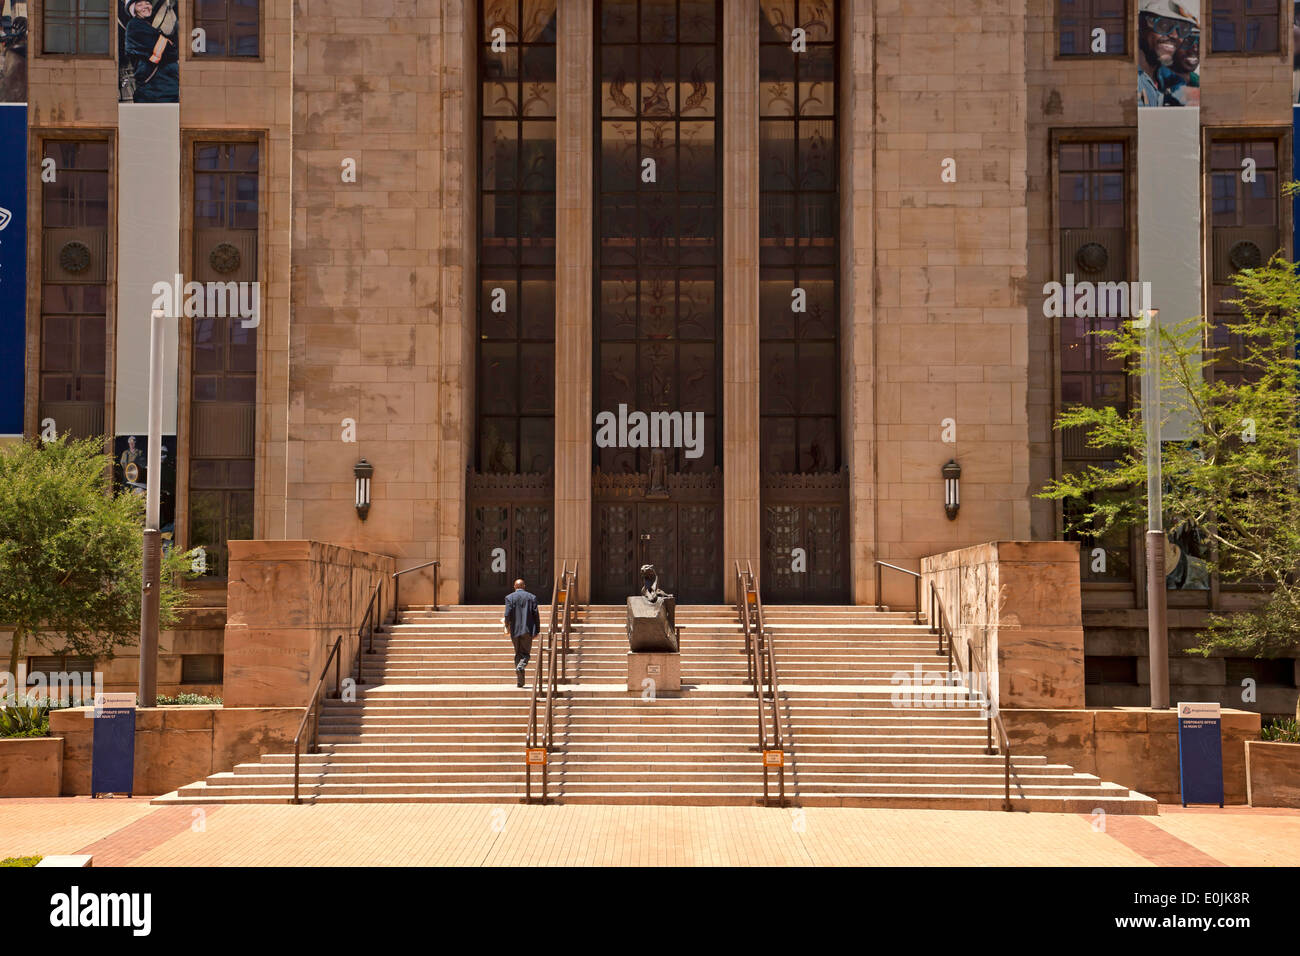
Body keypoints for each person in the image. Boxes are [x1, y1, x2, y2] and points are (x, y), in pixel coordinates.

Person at [1137, 0, 1199, 107]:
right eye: (1164, 25)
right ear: (1140, 25)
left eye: (1182, 29)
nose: (1174, 35)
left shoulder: (1164, 76)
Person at [123, 0, 178, 104]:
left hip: (163, 88)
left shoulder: (145, 26)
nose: (145, 6)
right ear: (133, 9)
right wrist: (171, 47)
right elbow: (166, 50)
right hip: (157, 90)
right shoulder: (135, 25)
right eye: (139, 5)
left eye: (147, 3)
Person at [503, 578, 539, 688]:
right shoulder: (532, 597)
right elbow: (535, 615)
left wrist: (506, 625)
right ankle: (521, 668)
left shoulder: (509, 598)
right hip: (527, 630)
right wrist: (537, 630)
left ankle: (520, 681)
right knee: (526, 654)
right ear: (524, 586)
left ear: (514, 587)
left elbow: (507, 614)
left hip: (515, 630)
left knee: (518, 653)